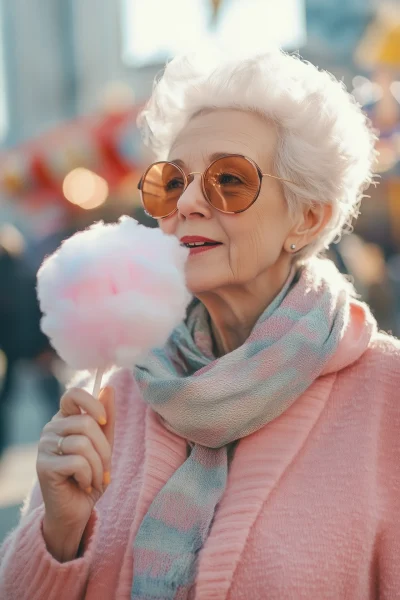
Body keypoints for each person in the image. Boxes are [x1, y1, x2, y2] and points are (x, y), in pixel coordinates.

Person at [1, 49, 399, 600]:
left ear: (308, 216)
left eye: (228, 180)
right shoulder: (112, 390)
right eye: (171, 181)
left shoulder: (388, 398)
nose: (186, 202)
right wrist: (58, 533)